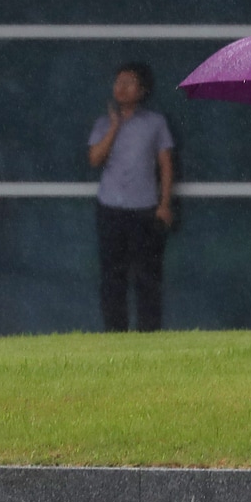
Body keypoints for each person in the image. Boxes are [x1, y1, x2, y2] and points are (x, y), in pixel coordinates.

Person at [87, 61, 175, 332]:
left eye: (129, 82)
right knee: (112, 275)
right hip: (111, 207)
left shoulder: (155, 123)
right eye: (118, 83)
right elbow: (94, 159)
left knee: (146, 275)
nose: (121, 88)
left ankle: (148, 331)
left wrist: (164, 204)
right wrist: (114, 127)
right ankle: (115, 331)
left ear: (143, 89)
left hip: (144, 208)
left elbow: (165, 164)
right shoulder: (104, 123)